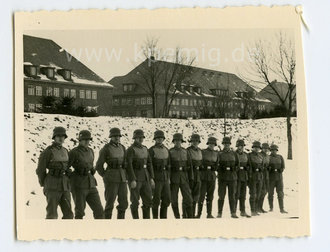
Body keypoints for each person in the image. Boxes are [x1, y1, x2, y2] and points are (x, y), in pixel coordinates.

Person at [36, 126, 73, 219]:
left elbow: (67, 166)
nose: (61, 138)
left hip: (65, 186)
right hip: (52, 185)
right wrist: (45, 183)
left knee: (69, 214)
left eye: (63, 136)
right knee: (52, 214)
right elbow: (40, 169)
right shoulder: (48, 151)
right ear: (54, 137)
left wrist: (68, 173)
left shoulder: (65, 151)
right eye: (58, 136)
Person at [68, 130, 104, 219]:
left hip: (91, 184)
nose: (87, 141)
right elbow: (66, 167)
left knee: (99, 210)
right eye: (84, 139)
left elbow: (91, 165)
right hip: (78, 185)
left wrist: (91, 170)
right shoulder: (74, 152)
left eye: (88, 139)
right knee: (80, 212)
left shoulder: (91, 151)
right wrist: (73, 176)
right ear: (79, 140)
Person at [96, 128, 128, 219]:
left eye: (118, 136)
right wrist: (105, 176)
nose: (117, 138)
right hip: (111, 178)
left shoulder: (122, 147)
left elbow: (126, 163)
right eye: (114, 136)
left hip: (122, 178)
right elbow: (99, 166)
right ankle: (107, 225)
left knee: (123, 203)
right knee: (110, 203)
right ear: (111, 137)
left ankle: (120, 223)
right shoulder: (106, 149)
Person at [126, 129, 155, 219]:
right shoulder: (131, 149)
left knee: (148, 200)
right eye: (138, 138)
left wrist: (151, 177)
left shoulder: (145, 149)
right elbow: (129, 165)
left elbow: (149, 163)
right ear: (134, 138)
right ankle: (136, 221)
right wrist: (132, 179)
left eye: (141, 137)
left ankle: (146, 221)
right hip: (136, 178)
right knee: (135, 201)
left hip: (145, 177)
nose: (140, 139)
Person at [169, 133, 194, 219]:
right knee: (174, 199)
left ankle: (189, 217)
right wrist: (169, 178)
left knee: (188, 198)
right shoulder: (170, 152)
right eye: (176, 141)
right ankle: (177, 217)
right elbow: (168, 166)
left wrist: (191, 178)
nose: (178, 142)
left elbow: (190, 166)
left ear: (181, 142)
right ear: (174, 142)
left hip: (184, 178)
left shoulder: (185, 151)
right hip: (174, 178)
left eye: (179, 141)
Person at [148, 130, 171, 219]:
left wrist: (168, 177)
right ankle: (155, 219)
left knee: (166, 199)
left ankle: (163, 218)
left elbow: (169, 165)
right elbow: (149, 165)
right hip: (156, 177)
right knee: (156, 200)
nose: (159, 140)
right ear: (155, 139)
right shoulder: (151, 150)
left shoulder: (166, 150)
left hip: (165, 177)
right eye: (158, 138)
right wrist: (151, 178)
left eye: (161, 138)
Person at [217, 137, 239, 218]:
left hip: (232, 178)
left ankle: (233, 213)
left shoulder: (234, 154)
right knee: (221, 196)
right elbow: (216, 165)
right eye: (225, 143)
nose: (226, 145)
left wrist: (233, 169)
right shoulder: (219, 154)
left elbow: (237, 165)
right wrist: (221, 169)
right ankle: (219, 213)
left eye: (228, 144)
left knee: (232, 196)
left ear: (230, 145)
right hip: (222, 178)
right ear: (223, 144)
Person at [197, 137, 219, 218]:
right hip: (203, 176)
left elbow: (217, 164)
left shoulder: (216, 153)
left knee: (210, 196)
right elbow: (200, 162)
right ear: (208, 144)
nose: (211, 145)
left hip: (212, 176)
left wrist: (214, 167)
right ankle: (198, 214)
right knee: (201, 196)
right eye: (210, 143)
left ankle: (209, 214)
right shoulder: (203, 152)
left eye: (213, 144)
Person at [268, 144, 288, 214]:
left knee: (280, 193)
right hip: (271, 178)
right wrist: (270, 169)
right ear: (270, 150)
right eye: (272, 150)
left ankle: (282, 209)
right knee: (270, 193)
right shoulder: (268, 157)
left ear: (277, 150)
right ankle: (271, 208)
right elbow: (267, 167)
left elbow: (283, 166)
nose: (274, 151)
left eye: (275, 150)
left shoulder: (280, 157)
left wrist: (281, 170)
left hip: (279, 178)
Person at [186, 134, 203, 218]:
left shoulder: (200, 151)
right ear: (191, 142)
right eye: (193, 141)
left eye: (196, 141)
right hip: (190, 174)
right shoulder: (187, 151)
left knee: (196, 196)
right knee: (188, 196)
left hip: (198, 175)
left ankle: (192, 214)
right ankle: (186, 215)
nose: (195, 143)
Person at [248, 141, 264, 216]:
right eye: (255, 147)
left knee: (258, 194)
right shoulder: (249, 155)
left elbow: (263, 165)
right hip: (252, 177)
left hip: (259, 177)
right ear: (253, 148)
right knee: (253, 194)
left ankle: (256, 209)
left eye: (258, 148)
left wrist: (260, 169)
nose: (256, 149)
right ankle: (252, 210)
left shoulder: (261, 156)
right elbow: (249, 166)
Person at [235, 139, 250, 218]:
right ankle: (234, 211)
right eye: (239, 146)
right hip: (236, 176)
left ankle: (243, 211)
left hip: (244, 176)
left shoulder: (246, 155)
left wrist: (246, 168)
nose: (240, 147)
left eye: (242, 146)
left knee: (243, 195)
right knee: (236, 194)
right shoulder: (234, 154)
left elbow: (249, 165)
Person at [259, 143, 270, 213]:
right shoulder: (259, 155)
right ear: (262, 148)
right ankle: (257, 207)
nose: (265, 149)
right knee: (260, 191)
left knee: (265, 191)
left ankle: (260, 207)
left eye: (267, 148)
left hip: (266, 174)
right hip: (260, 174)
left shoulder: (268, 156)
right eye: (264, 148)